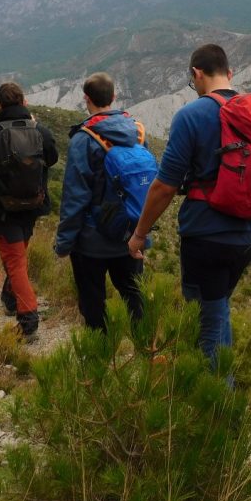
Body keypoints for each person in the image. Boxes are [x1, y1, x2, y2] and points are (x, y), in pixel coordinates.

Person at [127, 44, 251, 367]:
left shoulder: (191, 116)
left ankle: (215, 403)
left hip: (206, 237)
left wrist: (140, 233)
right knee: (219, 308)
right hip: (248, 236)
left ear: (196, 74)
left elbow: (165, 186)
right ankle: (224, 389)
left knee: (205, 326)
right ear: (230, 73)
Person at [55, 72, 145, 330]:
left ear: (86, 99)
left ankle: (100, 356)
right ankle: (145, 354)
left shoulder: (83, 139)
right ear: (114, 97)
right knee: (135, 298)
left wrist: (64, 242)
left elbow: (75, 197)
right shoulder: (137, 133)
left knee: (93, 301)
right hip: (130, 235)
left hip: (91, 242)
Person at [0, 82, 59, 342]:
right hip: (33, 204)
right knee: (18, 254)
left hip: (4, 206)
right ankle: (10, 299)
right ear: (24, 102)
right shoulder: (41, 132)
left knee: (15, 261)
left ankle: (28, 319)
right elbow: (53, 158)